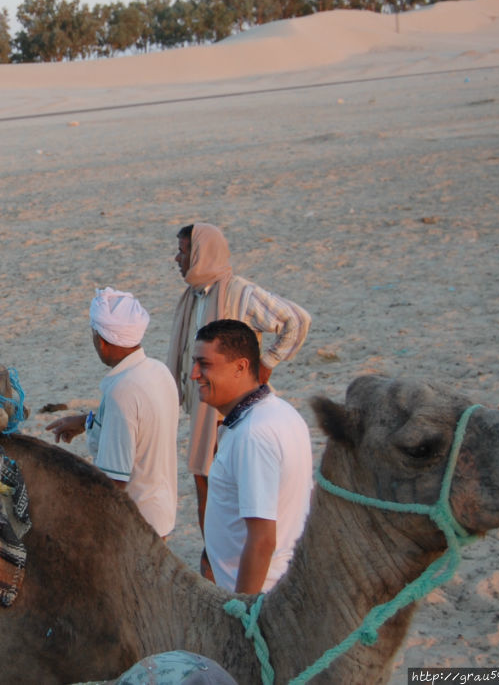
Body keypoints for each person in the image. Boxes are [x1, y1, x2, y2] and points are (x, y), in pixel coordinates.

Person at [166, 223, 310, 540]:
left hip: (232, 411)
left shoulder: (240, 293)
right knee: (204, 482)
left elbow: (296, 320)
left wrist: (267, 363)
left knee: (224, 487)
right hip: (204, 408)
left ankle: (223, 559)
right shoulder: (193, 296)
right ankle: (213, 559)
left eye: (183, 251)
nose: (177, 259)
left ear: (201, 253)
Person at [46, 287, 180, 537]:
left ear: (102, 340)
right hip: (161, 514)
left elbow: (115, 481)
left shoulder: (123, 392)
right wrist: (85, 422)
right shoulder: (158, 371)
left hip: (136, 526)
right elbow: (140, 429)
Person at [193, 319, 311, 593]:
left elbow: (262, 540)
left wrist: (243, 612)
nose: (194, 374)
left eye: (204, 364)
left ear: (241, 367)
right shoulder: (281, 410)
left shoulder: (253, 435)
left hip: (263, 596)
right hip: (282, 585)